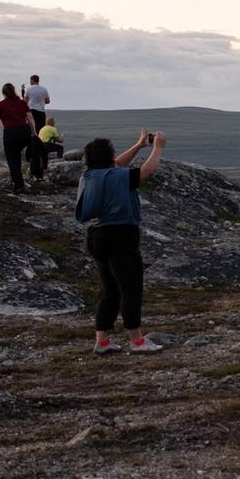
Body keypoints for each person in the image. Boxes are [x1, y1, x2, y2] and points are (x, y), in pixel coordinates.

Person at [76, 130, 167, 355]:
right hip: (121, 235)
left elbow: (115, 164)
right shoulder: (119, 176)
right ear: (109, 156)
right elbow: (145, 172)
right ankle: (137, 341)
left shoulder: (90, 176)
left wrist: (138, 145)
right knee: (130, 288)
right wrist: (158, 147)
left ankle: (102, 341)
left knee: (110, 290)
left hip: (97, 236)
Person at [0, 83, 34, 191]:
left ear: (3, 93)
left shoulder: (0, 105)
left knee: (12, 159)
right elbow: (30, 118)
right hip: (25, 131)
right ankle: (19, 180)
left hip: (11, 133)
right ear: (14, 91)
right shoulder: (22, 103)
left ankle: (19, 186)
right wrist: (34, 132)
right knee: (16, 155)